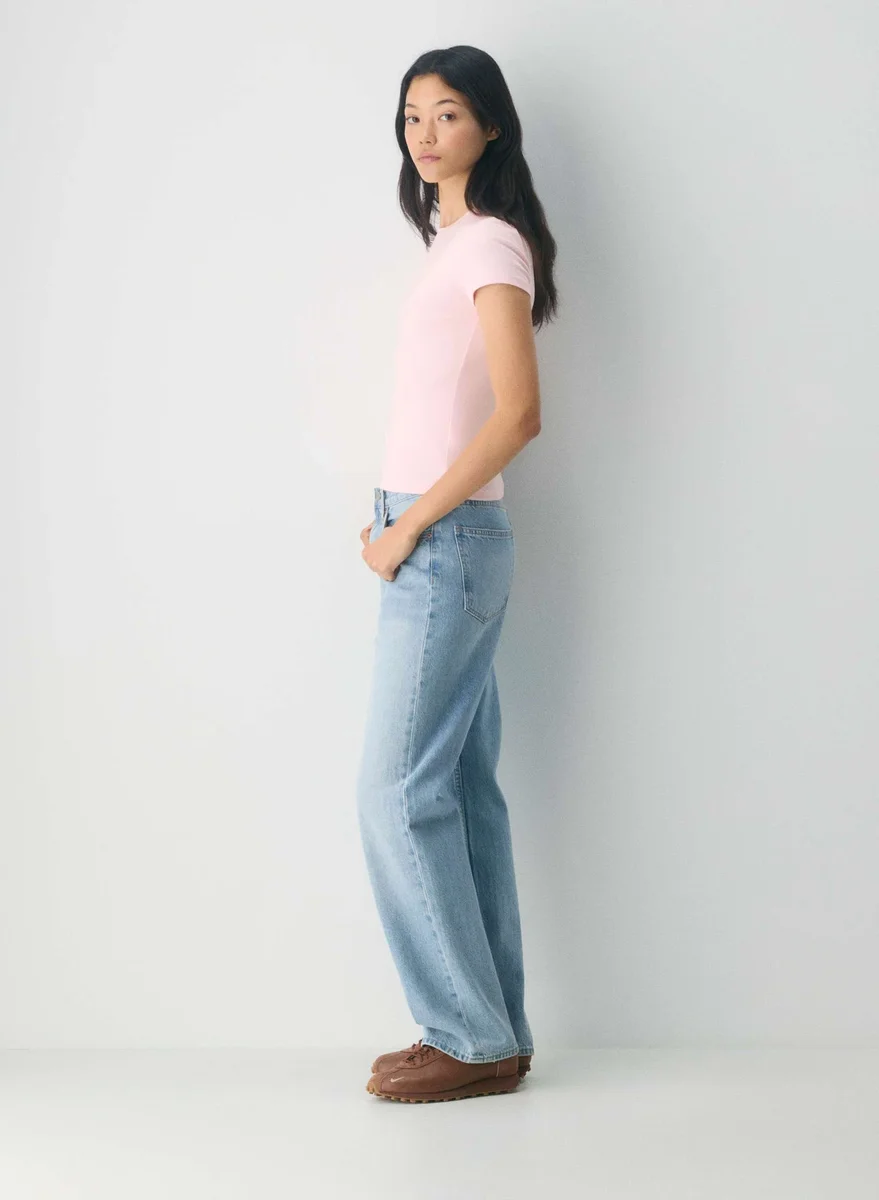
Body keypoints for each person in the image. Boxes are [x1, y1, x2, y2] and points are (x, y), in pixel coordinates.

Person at [355, 45, 559, 1104]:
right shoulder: (454, 244)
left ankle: (467, 1037)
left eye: (447, 113)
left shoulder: (488, 242)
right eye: (411, 116)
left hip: (445, 543)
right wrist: (393, 516)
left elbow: (518, 415)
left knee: (395, 792)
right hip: (437, 536)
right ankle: (493, 1034)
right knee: (459, 791)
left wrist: (411, 528)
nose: (425, 133)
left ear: (490, 126)